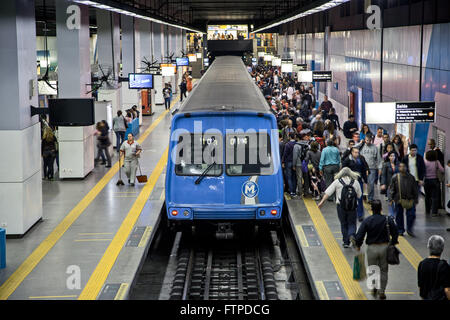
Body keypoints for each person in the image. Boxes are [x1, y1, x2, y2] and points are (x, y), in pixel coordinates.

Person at [354, 200, 399, 300]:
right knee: (384, 270)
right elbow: (395, 232)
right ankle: (382, 291)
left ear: (371, 209)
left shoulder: (367, 220)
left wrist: (358, 245)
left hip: (371, 248)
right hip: (384, 248)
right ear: (381, 209)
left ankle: (374, 286)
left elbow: (360, 235)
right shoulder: (387, 219)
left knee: (372, 268)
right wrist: (393, 242)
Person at [318, 167, 362, 248]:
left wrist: (321, 202)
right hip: (352, 207)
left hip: (341, 207)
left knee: (343, 223)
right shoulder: (355, 182)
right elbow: (359, 195)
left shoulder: (337, 182)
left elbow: (328, 193)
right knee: (352, 223)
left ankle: (346, 242)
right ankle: (351, 234)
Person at [389, 162, 419, 237]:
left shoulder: (411, 177)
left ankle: (409, 229)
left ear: (406, 167)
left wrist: (416, 198)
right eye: (400, 167)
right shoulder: (395, 177)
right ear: (398, 168)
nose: (402, 168)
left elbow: (415, 188)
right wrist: (391, 199)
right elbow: (392, 189)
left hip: (410, 199)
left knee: (411, 215)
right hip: (399, 199)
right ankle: (400, 230)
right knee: (399, 215)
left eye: (404, 166)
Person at [417, 235, 450, 300]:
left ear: (429, 247)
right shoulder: (444, 266)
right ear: (442, 249)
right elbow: (447, 290)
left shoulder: (422, 264)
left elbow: (420, 286)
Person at [342, 147, 369, 221]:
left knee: (359, 197)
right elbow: (344, 170)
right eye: (355, 152)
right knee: (350, 197)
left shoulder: (361, 159)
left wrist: (366, 180)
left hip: (359, 180)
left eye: (358, 152)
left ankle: (360, 215)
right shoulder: (347, 160)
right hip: (350, 182)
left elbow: (364, 168)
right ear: (352, 152)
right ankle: (351, 214)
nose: (357, 154)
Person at [358, 133, 381, 203]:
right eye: (367, 140)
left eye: (369, 140)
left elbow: (378, 159)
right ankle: (361, 196)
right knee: (361, 183)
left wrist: (379, 168)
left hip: (372, 168)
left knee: (371, 184)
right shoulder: (361, 146)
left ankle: (370, 198)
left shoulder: (375, 148)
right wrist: (360, 143)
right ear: (364, 140)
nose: (368, 142)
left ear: (371, 140)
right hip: (362, 168)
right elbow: (353, 149)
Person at [424, 150, 445, 217]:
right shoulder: (436, 162)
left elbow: (423, 171)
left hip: (426, 181)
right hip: (435, 181)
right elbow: (442, 170)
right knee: (435, 197)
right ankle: (434, 212)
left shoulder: (425, 162)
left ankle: (427, 210)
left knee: (427, 196)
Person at [380, 151, 399, 217]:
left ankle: (396, 213)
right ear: (388, 157)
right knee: (390, 200)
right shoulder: (386, 164)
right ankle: (391, 214)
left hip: (397, 185)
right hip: (389, 185)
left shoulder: (398, 164)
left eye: (393, 156)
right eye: (391, 156)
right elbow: (383, 175)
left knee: (397, 200)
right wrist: (383, 184)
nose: (392, 157)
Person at [292, 133, 311, 197]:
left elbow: (295, 156)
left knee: (299, 178)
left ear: (297, 138)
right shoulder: (307, 145)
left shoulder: (296, 146)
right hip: (305, 163)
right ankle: (306, 192)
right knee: (306, 178)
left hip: (298, 164)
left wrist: (293, 165)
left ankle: (300, 192)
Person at [282, 132, 298, 197]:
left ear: (289, 137)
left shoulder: (287, 145)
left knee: (289, 178)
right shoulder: (297, 144)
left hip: (288, 162)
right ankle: (294, 191)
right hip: (295, 162)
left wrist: (283, 162)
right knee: (294, 177)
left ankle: (291, 191)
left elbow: (285, 154)